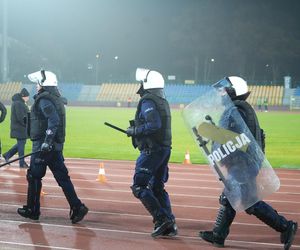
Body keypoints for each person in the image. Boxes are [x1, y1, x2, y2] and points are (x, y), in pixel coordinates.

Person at [199, 76, 298, 249]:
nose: (221, 94)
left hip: (242, 165)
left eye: (224, 90)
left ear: (232, 91)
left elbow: (239, 140)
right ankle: (218, 235)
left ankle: (285, 226)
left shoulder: (238, 110)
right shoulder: (238, 109)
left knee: (249, 202)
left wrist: (210, 132)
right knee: (231, 197)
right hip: (242, 163)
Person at [17, 70, 88, 223]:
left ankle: (32, 210)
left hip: (44, 147)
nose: (36, 86)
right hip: (54, 147)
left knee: (34, 176)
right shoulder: (55, 98)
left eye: (38, 83)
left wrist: (46, 142)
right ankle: (77, 207)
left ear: (43, 84)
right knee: (63, 178)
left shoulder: (44, 100)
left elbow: (54, 121)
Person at [126, 68, 177, 237]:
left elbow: (153, 125)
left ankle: (162, 219)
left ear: (146, 84)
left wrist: (135, 131)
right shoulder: (162, 100)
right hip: (164, 149)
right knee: (157, 187)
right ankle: (170, 224)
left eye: (141, 82)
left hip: (152, 151)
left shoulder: (148, 101)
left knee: (139, 186)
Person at [3, 88, 30, 168]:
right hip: (19, 128)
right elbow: (20, 117)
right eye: (27, 96)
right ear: (24, 96)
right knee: (21, 145)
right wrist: (27, 124)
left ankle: (7, 155)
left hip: (20, 128)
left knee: (21, 143)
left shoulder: (19, 102)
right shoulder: (19, 103)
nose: (28, 98)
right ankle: (22, 163)